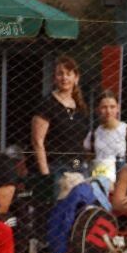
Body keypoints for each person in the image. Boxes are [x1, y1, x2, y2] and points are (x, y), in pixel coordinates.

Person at [31, 56, 90, 193]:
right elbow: (37, 141)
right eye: (60, 73)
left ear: (76, 78)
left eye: (69, 74)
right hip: (56, 165)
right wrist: (46, 175)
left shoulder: (80, 106)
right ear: (54, 78)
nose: (64, 78)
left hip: (77, 164)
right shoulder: (47, 104)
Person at [85, 90, 127, 181]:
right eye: (104, 107)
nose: (108, 111)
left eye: (112, 107)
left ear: (118, 108)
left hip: (122, 179)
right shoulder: (93, 135)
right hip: (98, 179)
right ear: (98, 109)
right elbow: (86, 161)